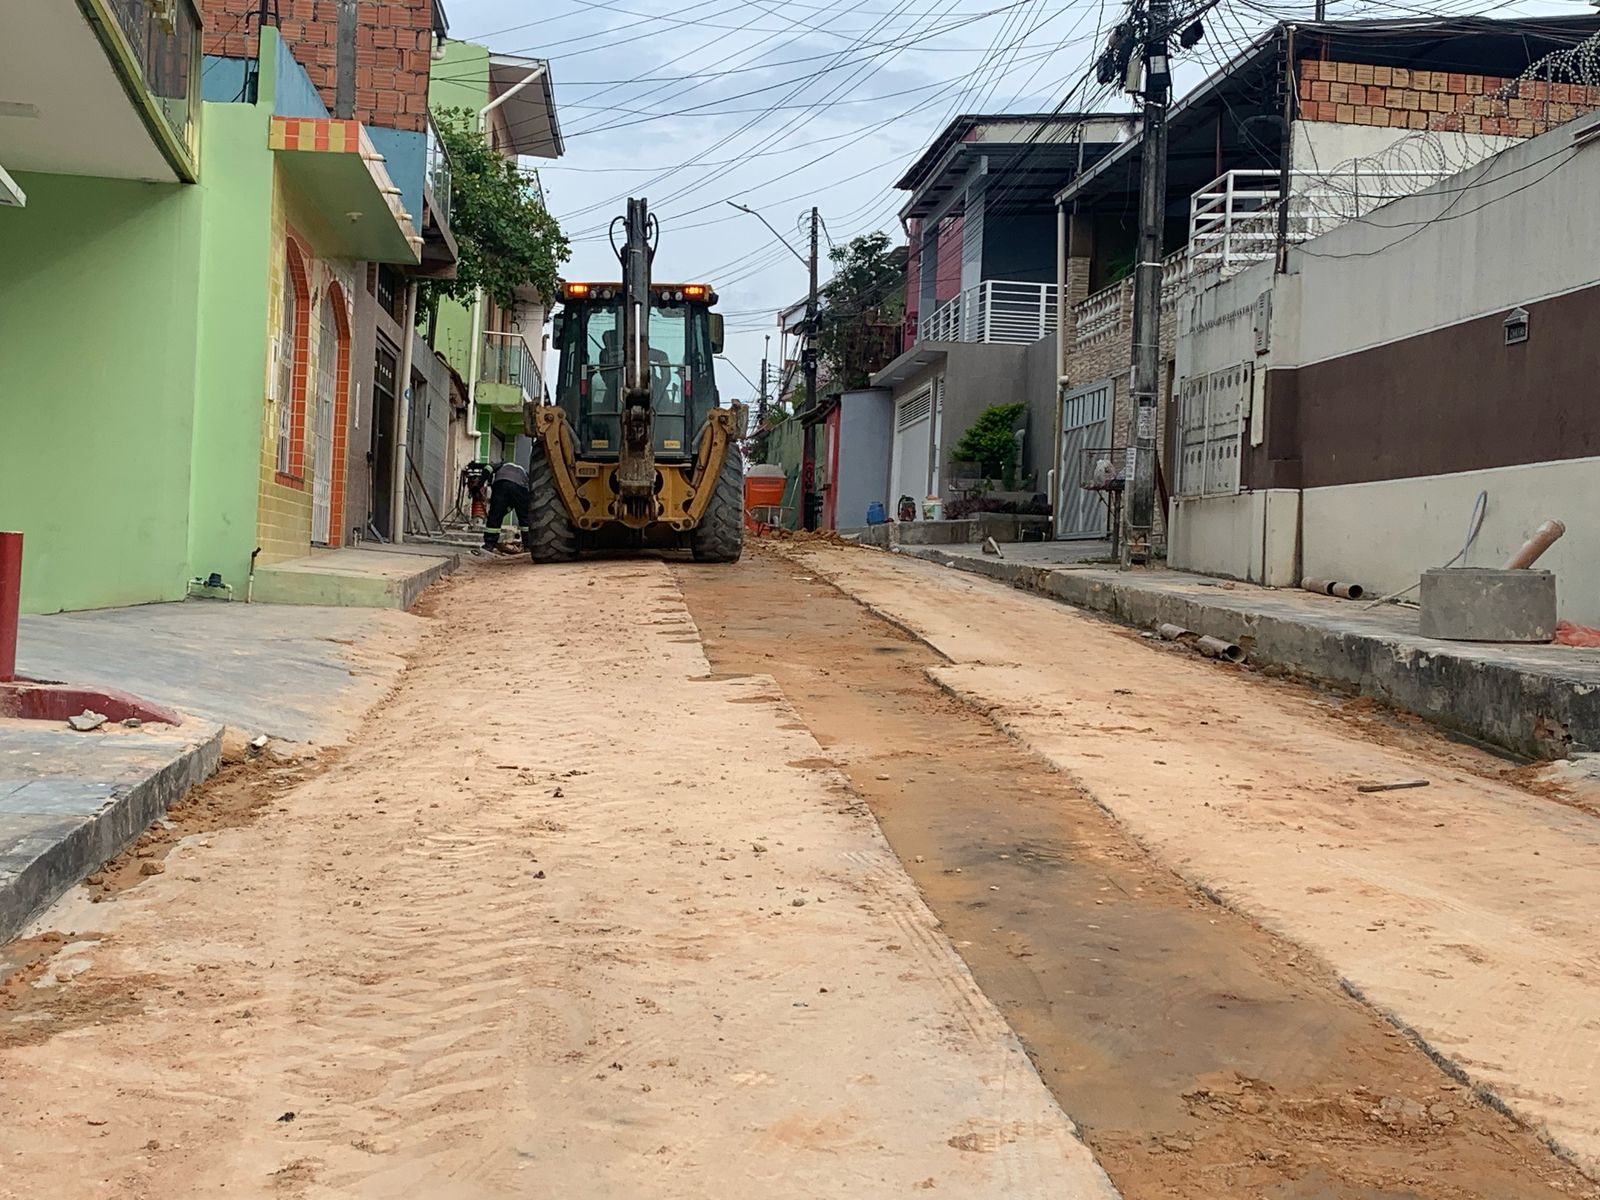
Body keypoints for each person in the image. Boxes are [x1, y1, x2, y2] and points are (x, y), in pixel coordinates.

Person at [483, 459, 530, 552]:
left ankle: (489, 545)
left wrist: (480, 484)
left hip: (501, 485)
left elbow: (488, 468)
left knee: (495, 516)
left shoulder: (501, 465)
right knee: (525, 518)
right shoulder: (523, 472)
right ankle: (528, 546)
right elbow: (514, 502)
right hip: (520, 487)